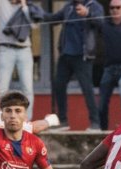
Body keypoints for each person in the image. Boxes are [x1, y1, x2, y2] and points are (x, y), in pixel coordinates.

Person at [45, 0, 104, 130]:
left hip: (83, 56)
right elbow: (53, 19)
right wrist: (36, 12)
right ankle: (63, 120)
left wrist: (88, 13)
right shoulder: (69, 7)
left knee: (87, 89)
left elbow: (102, 23)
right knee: (59, 86)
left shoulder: (93, 6)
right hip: (66, 54)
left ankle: (95, 123)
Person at [0, 0, 44, 119]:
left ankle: (27, 120)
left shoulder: (29, 6)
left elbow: (34, 25)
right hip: (5, 48)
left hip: (24, 50)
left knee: (27, 89)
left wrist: (24, 7)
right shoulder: (2, 3)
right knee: (1, 89)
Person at [98, 0, 121, 131]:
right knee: (102, 103)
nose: (115, 10)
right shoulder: (104, 25)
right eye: (112, 8)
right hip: (109, 67)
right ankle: (103, 130)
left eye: (118, 7)